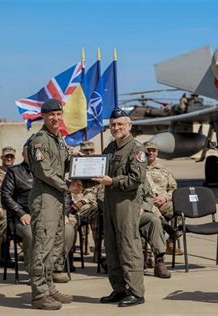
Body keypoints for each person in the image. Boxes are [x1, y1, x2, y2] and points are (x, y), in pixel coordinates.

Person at [93, 108, 146, 307]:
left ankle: (136, 292)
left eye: (120, 124)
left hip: (126, 203)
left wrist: (112, 181)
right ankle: (119, 289)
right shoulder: (110, 149)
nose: (116, 128)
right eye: (113, 124)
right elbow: (99, 172)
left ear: (129, 126)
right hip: (109, 202)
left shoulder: (136, 149)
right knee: (112, 246)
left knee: (128, 246)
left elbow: (136, 178)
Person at [1, 142, 75, 283]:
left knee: (68, 230)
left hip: (51, 214)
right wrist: (21, 213)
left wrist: (64, 213)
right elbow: (6, 196)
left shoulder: (50, 169)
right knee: (30, 233)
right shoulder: (14, 172)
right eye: (28, 152)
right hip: (25, 216)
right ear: (23, 154)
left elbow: (65, 193)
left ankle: (55, 268)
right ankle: (35, 272)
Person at [26, 99, 73, 310]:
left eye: (58, 114)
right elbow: (44, 171)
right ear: (43, 117)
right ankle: (39, 294)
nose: (55, 118)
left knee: (55, 245)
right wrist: (67, 187)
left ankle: (50, 287)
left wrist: (79, 161)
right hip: (45, 199)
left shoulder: (58, 139)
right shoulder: (40, 140)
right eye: (51, 115)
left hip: (57, 199)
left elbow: (66, 161)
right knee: (42, 247)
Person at [144, 141, 182, 255]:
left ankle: (170, 242)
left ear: (157, 153)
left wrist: (165, 197)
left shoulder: (164, 170)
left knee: (180, 210)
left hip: (163, 201)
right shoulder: (138, 169)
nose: (151, 153)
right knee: (154, 217)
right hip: (147, 203)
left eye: (153, 150)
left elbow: (173, 188)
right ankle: (160, 241)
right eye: (148, 150)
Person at [68, 141, 101, 263]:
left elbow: (98, 191)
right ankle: (69, 255)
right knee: (70, 219)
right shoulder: (72, 166)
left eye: (91, 150)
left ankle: (97, 251)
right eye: (85, 150)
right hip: (70, 205)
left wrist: (83, 201)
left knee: (96, 213)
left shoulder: (99, 168)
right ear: (80, 151)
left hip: (88, 205)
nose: (88, 153)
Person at [139, 176, 171, 279]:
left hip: (139, 212)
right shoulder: (111, 174)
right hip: (120, 214)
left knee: (154, 221)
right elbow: (101, 197)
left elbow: (149, 195)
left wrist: (143, 208)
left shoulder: (140, 175)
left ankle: (159, 261)